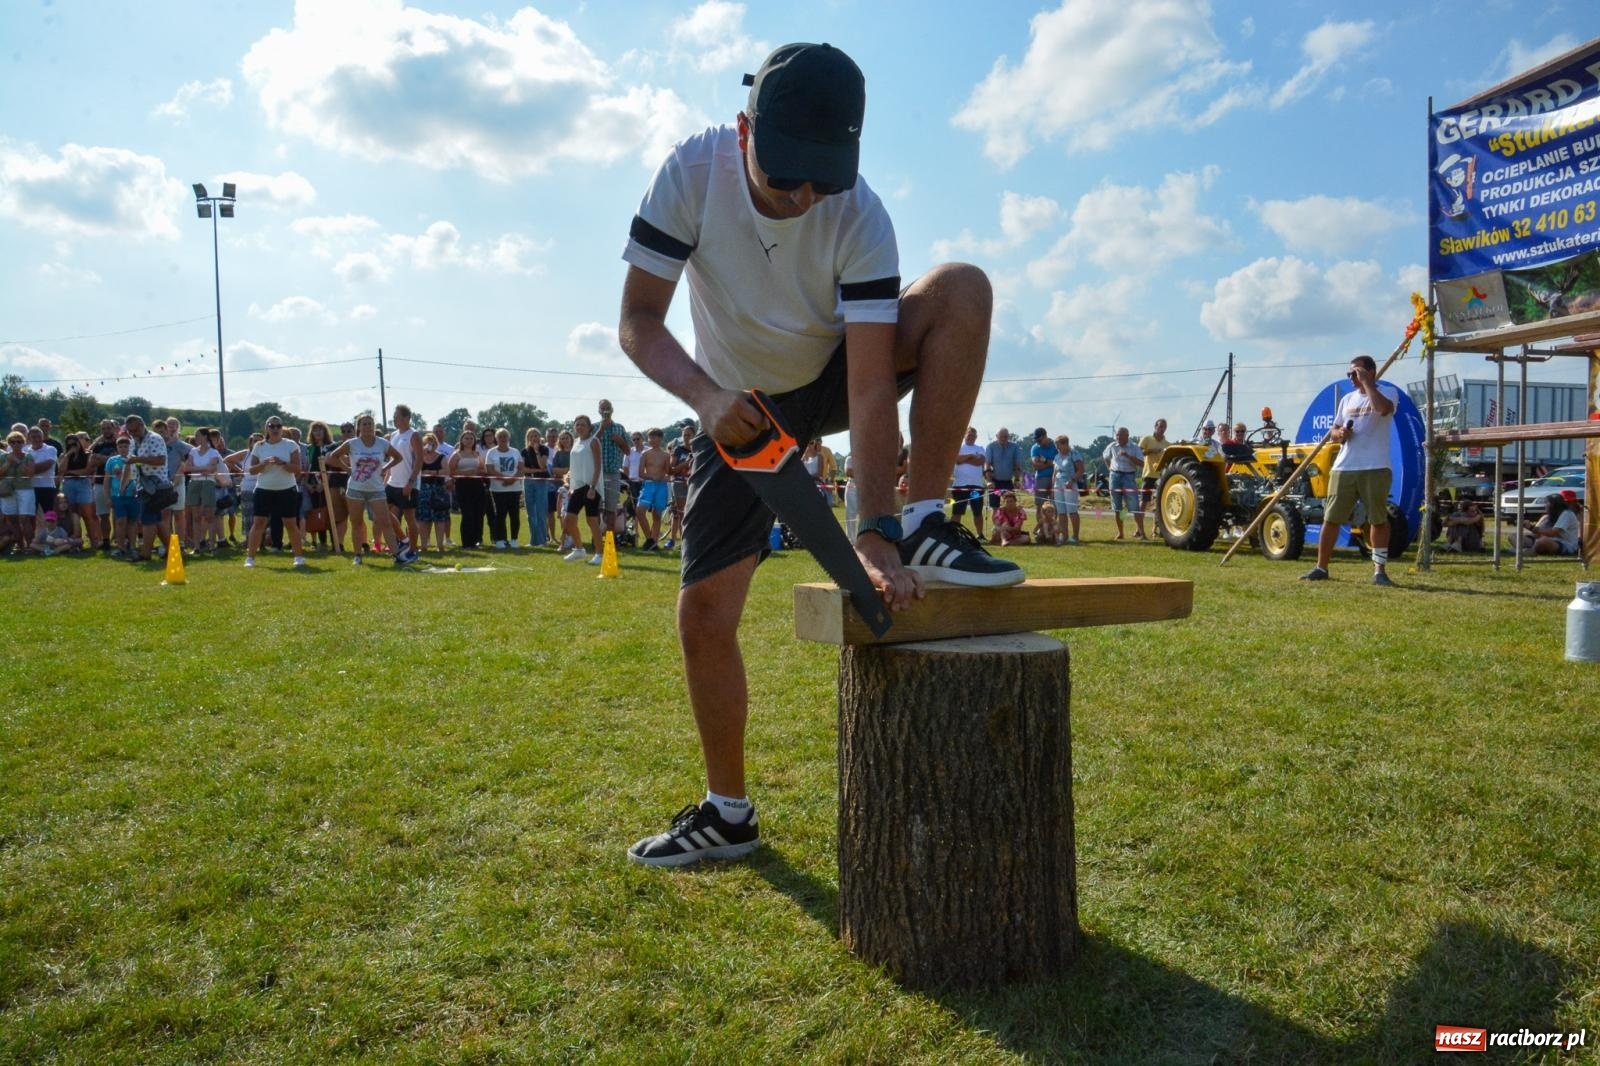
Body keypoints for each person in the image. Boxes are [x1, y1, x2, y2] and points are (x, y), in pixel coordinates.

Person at [617, 42, 1021, 867]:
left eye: (822, 179)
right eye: (784, 178)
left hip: (831, 374)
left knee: (961, 290)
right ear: (742, 132)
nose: (804, 198)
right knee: (702, 615)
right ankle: (728, 815)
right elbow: (638, 323)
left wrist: (876, 531)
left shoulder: (861, 214)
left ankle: (926, 519)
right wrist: (706, 401)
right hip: (733, 402)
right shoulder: (689, 175)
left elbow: (873, 389)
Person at [1303, 354, 1402, 585]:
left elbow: (1382, 409)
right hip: (1344, 466)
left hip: (1376, 466)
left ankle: (1379, 571)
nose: (1351, 377)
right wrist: (1340, 434)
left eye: (1356, 373)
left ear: (1371, 372)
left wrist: (1367, 383)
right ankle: (1321, 567)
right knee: (1331, 518)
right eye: (1349, 373)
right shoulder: (1347, 399)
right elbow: (1334, 430)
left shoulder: (1388, 393)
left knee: (1378, 519)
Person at [326, 414, 415, 566]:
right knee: (357, 522)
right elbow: (332, 457)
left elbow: (398, 457)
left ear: (374, 426)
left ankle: (397, 556)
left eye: (370, 423)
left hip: (377, 489)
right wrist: (347, 469)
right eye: (364, 424)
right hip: (356, 488)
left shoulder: (382, 443)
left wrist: (385, 468)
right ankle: (358, 555)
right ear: (358, 427)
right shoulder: (352, 443)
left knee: (385, 521)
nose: (367, 427)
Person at [243, 417, 308, 568]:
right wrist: (263, 464)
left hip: (287, 489)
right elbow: (251, 470)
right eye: (271, 426)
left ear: (282, 428)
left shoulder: (290, 445)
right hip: (263, 489)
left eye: (278, 425)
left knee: (290, 523)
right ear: (266, 428)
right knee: (258, 523)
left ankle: (298, 557)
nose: (275, 428)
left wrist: (283, 463)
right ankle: (250, 558)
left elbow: (297, 469)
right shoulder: (259, 446)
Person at [562, 414, 603, 564]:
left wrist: (592, 487)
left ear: (589, 427)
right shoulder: (576, 442)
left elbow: (598, 466)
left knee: (592, 520)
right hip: (577, 486)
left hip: (592, 486)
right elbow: (575, 465)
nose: (579, 427)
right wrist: (568, 477)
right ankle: (579, 550)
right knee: (569, 519)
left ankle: (600, 554)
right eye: (577, 424)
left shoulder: (594, 441)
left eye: (583, 424)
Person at [385, 403, 423, 554]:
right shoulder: (394, 435)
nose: (394, 420)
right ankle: (403, 541)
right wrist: (385, 477)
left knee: (409, 517)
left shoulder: (413, 435)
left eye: (397, 417)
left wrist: (411, 482)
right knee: (382, 512)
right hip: (392, 482)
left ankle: (413, 550)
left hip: (408, 483)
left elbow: (419, 460)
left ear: (407, 418)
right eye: (393, 417)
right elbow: (392, 460)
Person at [181, 427, 222, 553]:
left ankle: (211, 546)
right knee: (196, 516)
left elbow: (211, 469)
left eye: (198, 435)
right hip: (195, 483)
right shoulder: (193, 451)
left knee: (209, 516)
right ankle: (197, 547)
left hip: (208, 483)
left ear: (205, 436)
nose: (196, 438)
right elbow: (187, 468)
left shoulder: (213, 452)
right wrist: (203, 469)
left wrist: (198, 468)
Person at [58, 432, 100, 549]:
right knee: (72, 514)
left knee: (87, 514)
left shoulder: (88, 454)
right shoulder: (64, 455)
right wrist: (68, 455)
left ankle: (94, 541)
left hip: (83, 484)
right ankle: (77, 541)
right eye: (69, 444)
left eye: (74, 443)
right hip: (68, 485)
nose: (72, 446)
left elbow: (87, 471)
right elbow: (61, 470)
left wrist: (70, 472)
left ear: (78, 443)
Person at [595, 399, 630, 542]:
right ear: (598, 411)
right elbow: (589, 445)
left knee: (611, 508)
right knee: (595, 507)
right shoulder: (594, 427)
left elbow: (628, 450)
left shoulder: (620, 428)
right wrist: (601, 429)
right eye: (602, 408)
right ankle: (596, 539)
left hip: (613, 473)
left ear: (612, 409)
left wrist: (621, 442)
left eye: (607, 408)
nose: (605, 411)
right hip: (597, 473)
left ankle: (610, 539)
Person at [1103, 427, 1146, 540]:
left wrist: (1128, 456)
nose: (1118, 438)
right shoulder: (1112, 446)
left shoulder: (1134, 447)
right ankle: (1121, 533)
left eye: (1121, 435)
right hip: (1115, 477)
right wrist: (1110, 469)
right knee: (1117, 508)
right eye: (1117, 435)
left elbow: (1142, 464)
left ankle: (1142, 533)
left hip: (1128, 477)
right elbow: (1105, 456)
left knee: (1134, 507)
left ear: (1127, 436)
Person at [448, 428, 488, 550]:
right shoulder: (456, 454)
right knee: (467, 514)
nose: (469, 440)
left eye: (471, 438)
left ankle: (476, 540)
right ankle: (467, 542)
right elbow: (451, 471)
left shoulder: (477, 454)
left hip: (477, 485)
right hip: (463, 486)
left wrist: (478, 471)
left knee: (478, 513)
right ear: (462, 440)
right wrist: (466, 472)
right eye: (466, 438)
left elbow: (484, 470)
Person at [485, 427, 523, 548]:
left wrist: (512, 480)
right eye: (500, 436)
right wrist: (504, 479)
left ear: (508, 438)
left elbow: (521, 469)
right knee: (500, 515)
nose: (502, 438)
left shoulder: (515, 452)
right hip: (498, 489)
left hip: (515, 489)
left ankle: (514, 540)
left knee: (514, 515)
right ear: (496, 438)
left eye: (504, 436)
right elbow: (489, 470)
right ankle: (500, 540)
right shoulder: (491, 452)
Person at [636, 427, 672, 550]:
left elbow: (668, 472)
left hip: (661, 487)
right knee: (640, 511)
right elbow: (640, 473)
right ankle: (649, 539)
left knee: (657, 515)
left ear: (660, 439)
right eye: (650, 437)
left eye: (654, 437)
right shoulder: (645, 454)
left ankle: (654, 544)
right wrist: (652, 476)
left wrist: (666, 477)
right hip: (649, 486)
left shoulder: (666, 455)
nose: (651, 440)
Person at [1, 429, 37, 549]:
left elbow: (30, 474)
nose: (16, 444)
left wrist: (17, 461)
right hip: (8, 491)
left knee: (24, 518)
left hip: (25, 490)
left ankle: (31, 547)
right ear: (9, 443)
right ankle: (21, 547)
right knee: (13, 519)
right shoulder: (3, 457)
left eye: (19, 441)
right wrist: (8, 463)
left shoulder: (29, 457)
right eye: (13, 442)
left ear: (24, 443)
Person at [416, 433, 451, 552]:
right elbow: (415, 470)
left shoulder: (442, 457)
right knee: (423, 519)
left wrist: (434, 472)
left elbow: (446, 471)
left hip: (438, 490)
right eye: (426, 443)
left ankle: (440, 545)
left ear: (436, 445)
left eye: (432, 443)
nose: (429, 446)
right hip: (423, 490)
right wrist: (422, 456)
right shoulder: (419, 457)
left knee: (440, 518)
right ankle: (424, 545)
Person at [1516, 491, 1581, 556]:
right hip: (1544, 540)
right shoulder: (1549, 517)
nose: (1545, 505)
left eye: (1547, 503)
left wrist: (1531, 527)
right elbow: (1536, 534)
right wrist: (1527, 526)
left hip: (1565, 544)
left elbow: (1553, 533)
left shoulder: (1567, 514)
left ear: (1554, 505)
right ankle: (1527, 548)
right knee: (1515, 537)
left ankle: (1528, 551)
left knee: (1543, 541)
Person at [950, 426, 986, 539]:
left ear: (976, 437)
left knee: (977, 511)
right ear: (965, 435)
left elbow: (980, 461)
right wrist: (970, 456)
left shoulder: (980, 448)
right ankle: (954, 534)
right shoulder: (958, 448)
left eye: (973, 435)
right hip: (960, 486)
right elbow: (957, 460)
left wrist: (964, 460)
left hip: (976, 486)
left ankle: (980, 534)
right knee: (957, 511)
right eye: (969, 435)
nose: (971, 437)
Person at [105, 434, 139, 556]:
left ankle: (133, 546)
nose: (123, 448)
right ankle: (120, 546)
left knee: (133, 521)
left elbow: (139, 476)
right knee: (120, 520)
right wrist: (108, 497)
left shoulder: (135, 459)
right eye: (121, 446)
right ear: (117, 448)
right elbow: (107, 480)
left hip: (133, 495)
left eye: (126, 446)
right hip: (117, 495)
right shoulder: (112, 460)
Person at [521, 427, 552, 548]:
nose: (534, 438)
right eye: (532, 436)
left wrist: (537, 451)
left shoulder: (544, 449)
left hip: (541, 482)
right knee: (530, 512)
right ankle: (533, 540)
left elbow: (543, 465)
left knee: (541, 511)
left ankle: (542, 540)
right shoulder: (524, 451)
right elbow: (523, 469)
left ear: (540, 437)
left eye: (536, 435)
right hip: (528, 481)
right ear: (528, 438)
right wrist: (537, 470)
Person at [666, 423, 695, 550]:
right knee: (682, 514)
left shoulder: (699, 449)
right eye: (685, 435)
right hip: (679, 484)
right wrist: (686, 463)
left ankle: (692, 540)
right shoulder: (678, 450)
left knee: (693, 514)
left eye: (689, 435)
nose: (687, 437)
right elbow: (671, 470)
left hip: (694, 484)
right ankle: (684, 542)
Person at [1051, 433, 1083, 544]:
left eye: (1059, 445)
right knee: (1061, 512)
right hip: (1058, 486)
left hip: (1070, 485)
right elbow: (1055, 472)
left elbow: (1080, 470)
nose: (1057, 448)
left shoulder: (1074, 454)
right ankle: (1064, 536)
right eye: (1056, 445)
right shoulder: (1057, 456)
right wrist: (1053, 484)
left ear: (1065, 444)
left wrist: (1072, 480)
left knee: (1072, 511)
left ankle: (1075, 536)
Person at [985, 426, 1023, 513]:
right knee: (995, 507)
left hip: (1008, 482)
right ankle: (997, 526)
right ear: (996, 436)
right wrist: (989, 481)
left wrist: (1017, 480)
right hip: (994, 481)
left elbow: (1017, 465)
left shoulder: (1015, 447)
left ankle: (1009, 525)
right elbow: (987, 464)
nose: (1003, 438)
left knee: (1010, 506)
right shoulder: (991, 447)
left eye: (1006, 436)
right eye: (1001, 436)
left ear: (1008, 436)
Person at [25, 425, 58, 520]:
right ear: (29, 438)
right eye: (34, 437)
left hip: (47, 487)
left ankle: (52, 534)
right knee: (31, 516)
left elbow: (47, 466)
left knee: (49, 515)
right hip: (29, 487)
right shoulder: (25, 450)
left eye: (39, 436)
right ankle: (34, 535)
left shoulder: (50, 449)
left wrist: (28, 470)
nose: (37, 439)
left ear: (43, 437)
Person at [1028, 427, 1056, 531]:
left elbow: (1057, 464)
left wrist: (1043, 461)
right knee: (1040, 505)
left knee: (1054, 505)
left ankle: (1053, 529)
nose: (1038, 443)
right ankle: (1041, 530)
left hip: (1054, 478)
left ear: (1045, 436)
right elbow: (1036, 465)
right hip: (1040, 478)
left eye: (1039, 440)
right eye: (1036, 441)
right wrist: (1049, 463)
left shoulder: (1055, 446)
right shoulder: (1035, 448)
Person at [1139, 418, 1169, 511]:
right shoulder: (1146, 439)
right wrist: (1151, 451)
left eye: (1164, 427)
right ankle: (1139, 525)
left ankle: (1155, 525)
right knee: (1144, 500)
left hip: (1161, 476)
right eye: (1160, 426)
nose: (1162, 429)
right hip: (1149, 475)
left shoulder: (1167, 444)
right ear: (1155, 426)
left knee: (1159, 503)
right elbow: (1138, 453)